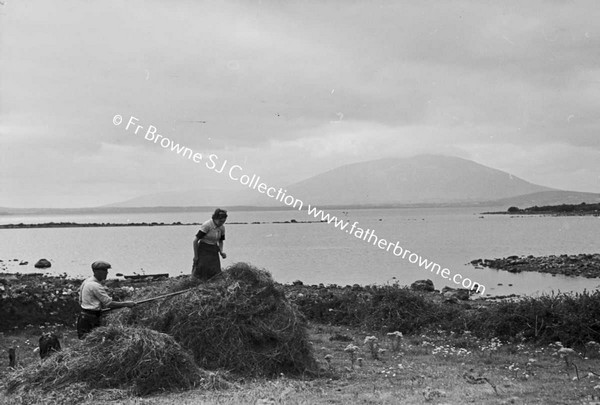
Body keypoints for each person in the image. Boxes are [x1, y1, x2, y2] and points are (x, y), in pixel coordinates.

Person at [76, 261, 136, 339]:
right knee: (93, 343)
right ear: (96, 271)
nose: (107, 273)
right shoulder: (95, 285)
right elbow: (109, 304)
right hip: (91, 319)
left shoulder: (87, 281)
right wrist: (126, 304)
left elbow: (80, 300)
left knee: (84, 343)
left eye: (106, 270)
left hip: (83, 317)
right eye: (104, 270)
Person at [192, 208, 227, 280]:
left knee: (215, 272)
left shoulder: (222, 228)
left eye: (223, 221)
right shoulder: (207, 225)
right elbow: (195, 241)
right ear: (215, 218)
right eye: (220, 221)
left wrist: (221, 252)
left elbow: (220, 241)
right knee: (201, 269)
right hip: (203, 249)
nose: (221, 223)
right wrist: (196, 256)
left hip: (214, 249)